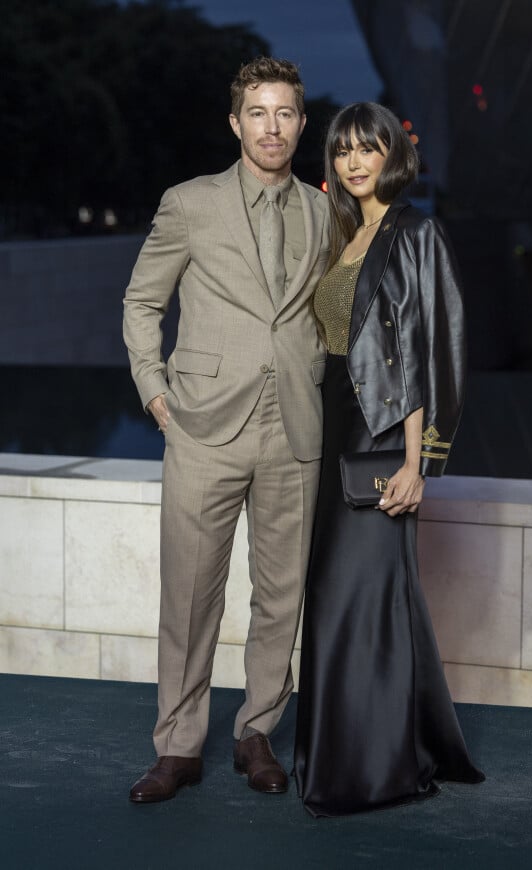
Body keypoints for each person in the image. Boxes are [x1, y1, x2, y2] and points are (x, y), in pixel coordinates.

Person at [123, 57, 329, 803]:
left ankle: (256, 734)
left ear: (301, 124)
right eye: (258, 113)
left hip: (295, 427)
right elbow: (141, 303)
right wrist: (154, 393)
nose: (271, 127)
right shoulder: (189, 203)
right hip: (204, 426)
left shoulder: (322, 209)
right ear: (235, 122)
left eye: (285, 114)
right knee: (189, 594)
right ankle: (177, 748)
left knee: (282, 595)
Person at [294, 102, 485, 817]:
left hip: (381, 436)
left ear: (392, 155)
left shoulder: (415, 232)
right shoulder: (346, 232)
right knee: (338, 596)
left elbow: (430, 352)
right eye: (342, 149)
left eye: (367, 148)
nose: (353, 161)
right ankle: (372, 749)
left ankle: (370, 770)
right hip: (330, 430)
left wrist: (418, 462)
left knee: (359, 596)